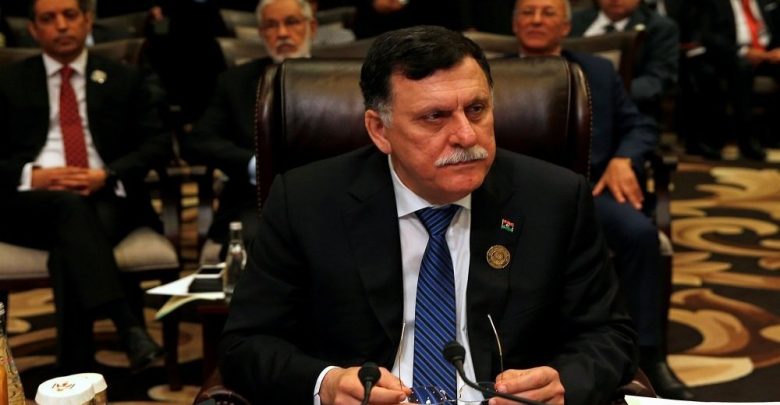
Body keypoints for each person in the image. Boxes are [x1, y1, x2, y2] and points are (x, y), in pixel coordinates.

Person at [219, 25, 637, 405]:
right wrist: (325, 383)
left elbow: (609, 334)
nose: (466, 135)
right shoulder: (306, 201)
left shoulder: (554, 199)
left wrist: (563, 385)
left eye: (477, 109)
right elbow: (246, 343)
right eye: (434, 117)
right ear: (380, 130)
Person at [512, 0, 694, 399]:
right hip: (515, 195)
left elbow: (639, 125)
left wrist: (625, 158)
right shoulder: (492, 72)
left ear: (567, 27)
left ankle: (649, 355)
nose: (536, 20)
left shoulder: (596, 70)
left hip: (591, 191)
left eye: (548, 13)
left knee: (640, 234)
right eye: (527, 12)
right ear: (514, 23)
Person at [0, 0, 167, 373]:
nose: (61, 25)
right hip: (28, 203)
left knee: (70, 239)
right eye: (48, 18)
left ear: (88, 21)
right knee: (69, 211)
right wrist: (31, 175)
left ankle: (74, 368)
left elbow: (157, 145)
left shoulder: (124, 77)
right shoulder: (7, 82)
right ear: (33, 30)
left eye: (70, 15)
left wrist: (107, 174)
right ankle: (128, 326)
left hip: (105, 195)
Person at [182, 0, 317, 258]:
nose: (282, 33)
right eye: (271, 25)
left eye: (291, 22)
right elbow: (198, 142)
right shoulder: (235, 82)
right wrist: (254, 164)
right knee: (258, 245)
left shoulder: (340, 78)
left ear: (312, 27)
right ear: (261, 33)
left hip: (330, 195)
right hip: (255, 200)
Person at [682, 0, 780, 160]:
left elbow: (773, 31)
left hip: (767, 54)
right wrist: (744, 51)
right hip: (731, 54)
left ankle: (773, 135)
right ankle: (747, 141)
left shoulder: (763, 2)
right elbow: (709, 36)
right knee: (742, 68)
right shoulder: (714, 3)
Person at [569, 0, 679, 117]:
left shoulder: (658, 28)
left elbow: (657, 80)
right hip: (572, 107)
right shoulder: (571, 21)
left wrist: (606, 93)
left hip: (629, 111)